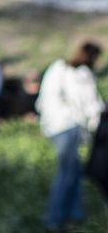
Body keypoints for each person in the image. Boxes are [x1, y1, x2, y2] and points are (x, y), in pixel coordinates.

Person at [36, 42, 104, 232]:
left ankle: (75, 213)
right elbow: (91, 105)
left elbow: (43, 100)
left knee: (74, 170)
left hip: (53, 126)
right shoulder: (82, 74)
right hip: (68, 126)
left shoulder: (57, 67)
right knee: (66, 172)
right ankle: (54, 219)